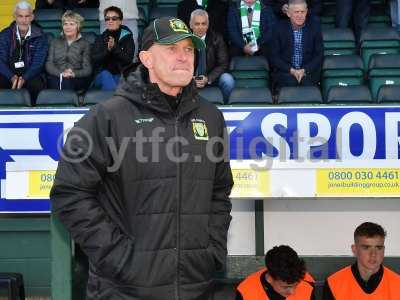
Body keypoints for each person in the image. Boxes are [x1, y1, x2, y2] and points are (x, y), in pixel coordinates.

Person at [50, 16, 233, 300]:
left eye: (189, 49)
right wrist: (118, 257)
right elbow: (69, 193)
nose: (184, 57)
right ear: (146, 58)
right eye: (171, 49)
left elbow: (220, 190)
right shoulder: (107, 117)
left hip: (196, 286)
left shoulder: (211, 117)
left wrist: (211, 250)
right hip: (124, 289)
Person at [323, 222, 400, 299]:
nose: (373, 254)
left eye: (378, 248)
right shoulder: (333, 284)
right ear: (354, 249)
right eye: (366, 247)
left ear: (383, 250)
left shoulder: (397, 284)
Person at [0, 1, 48, 105]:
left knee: (37, 84)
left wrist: (24, 78)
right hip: (8, 73)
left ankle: (33, 114)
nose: (24, 20)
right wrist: (11, 77)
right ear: (14, 17)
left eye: (27, 16)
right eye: (20, 16)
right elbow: (0, 61)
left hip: (30, 74)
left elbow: (38, 63)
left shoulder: (40, 35)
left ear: (32, 17)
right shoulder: (4, 35)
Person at [269, 0, 323, 92]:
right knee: (289, 82)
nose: (300, 15)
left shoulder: (315, 28)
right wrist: (292, 71)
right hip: (285, 72)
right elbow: (274, 57)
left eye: (302, 12)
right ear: (289, 13)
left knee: (307, 83)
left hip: (308, 72)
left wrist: (304, 70)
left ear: (306, 12)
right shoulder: (278, 28)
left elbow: (318, 55)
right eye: (296, 12)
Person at [236, 245, 315, 299]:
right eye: (285, 287)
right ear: (270, 278)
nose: (292, 291)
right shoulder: (246, 292)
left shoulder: (307, 283)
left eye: (296, 285)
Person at [190, 9, 235, 102]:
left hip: (212, 78)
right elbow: (179, 65)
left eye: (203, 24)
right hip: (191, 79)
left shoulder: (217, 39)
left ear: (208, 25)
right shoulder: (184, 41)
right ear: (191, 25)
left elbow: (223, 64)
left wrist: (208, 78)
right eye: (197, 24)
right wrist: (190, 78)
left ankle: (225, 105)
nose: (200, 27)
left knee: (228, 80)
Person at [46, 11, 92, 91]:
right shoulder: (55, 42)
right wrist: (61, 73)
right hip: (57, 76)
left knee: (67, 83)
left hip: (76, 78)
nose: (68, 27)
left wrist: (74, 73)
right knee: (61, 82)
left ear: (78, 26)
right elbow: (49, 64)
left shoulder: (85, 44)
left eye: (71, 24)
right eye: (65, 24)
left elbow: (87, 69)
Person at [91, 6, 135, 90]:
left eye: (114, 18)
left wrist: (115, 48)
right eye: (107, 19)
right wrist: (107, 50)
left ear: (120, 21)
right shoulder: (100, 38)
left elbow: (128, 60)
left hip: (120, 75)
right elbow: (94, 59)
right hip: (101, 76)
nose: (110, 21)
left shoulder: (127, 38)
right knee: (105, 75)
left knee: (119, 80)